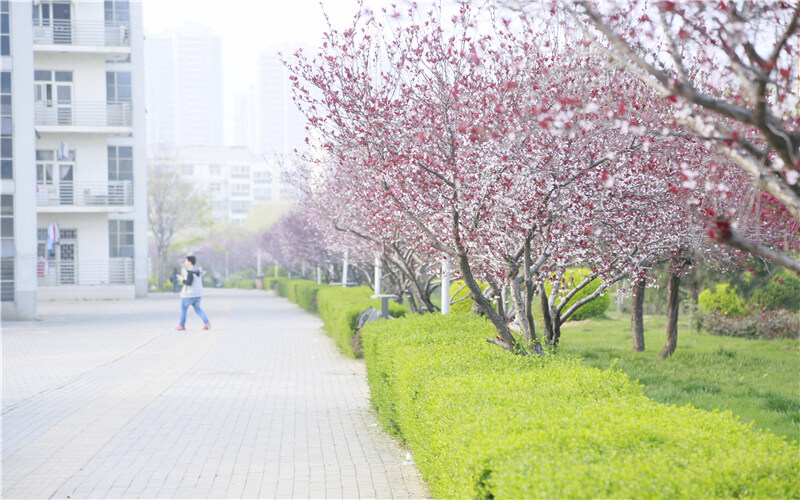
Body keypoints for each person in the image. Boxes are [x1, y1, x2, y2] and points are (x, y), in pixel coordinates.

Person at [175, 255, 211, 331]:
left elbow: (188, 282)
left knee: (183, 310)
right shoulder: (198, 271)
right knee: (198, 310)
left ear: (189, 262)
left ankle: (181, 325)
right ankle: (207, 323)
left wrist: (181, 279)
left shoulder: (190, 272)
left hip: (188, 295)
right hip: (197, 295)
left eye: (186, 261)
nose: (185, 262)